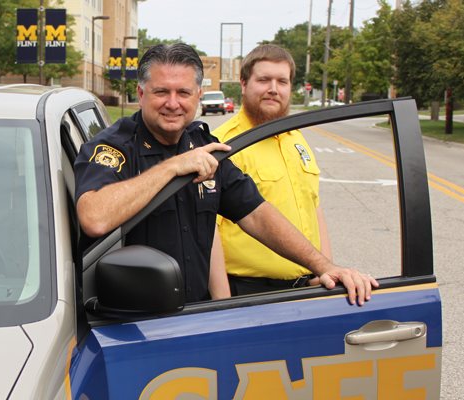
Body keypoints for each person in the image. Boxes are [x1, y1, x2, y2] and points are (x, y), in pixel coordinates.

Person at [74, 43, 377, 305]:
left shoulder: (204, 146)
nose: (173, 103)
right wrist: (171, 166)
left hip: (197, 314)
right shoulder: (113, 147)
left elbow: (257, 214)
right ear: (141, 93)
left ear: (198, 96)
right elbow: (95, 217)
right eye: (161, 92)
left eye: (184, 92)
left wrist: (323, 265)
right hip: (136, 323)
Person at [213, 44, 349, 296]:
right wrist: (223, 305)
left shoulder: (296, 138)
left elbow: (314, 206)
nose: (273, 89)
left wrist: (325, 271)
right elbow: (210, 233)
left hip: (306, 288)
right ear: (243, 84)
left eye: (282, 81)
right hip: (249, 293)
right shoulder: (225, 145)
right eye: (264, 80)